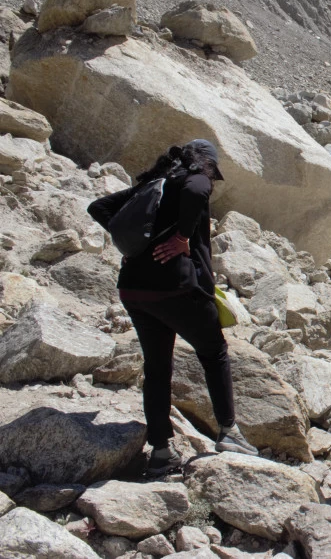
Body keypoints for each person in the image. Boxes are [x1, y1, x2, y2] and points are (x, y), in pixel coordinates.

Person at [87, 140, 258, 477]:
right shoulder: (195, 177)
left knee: (157, 367)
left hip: (134, 289)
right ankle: (228, 432)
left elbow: (99, 207)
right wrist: (182, 236)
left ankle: (162, 452)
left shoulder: (155, 184)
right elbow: (197, 191)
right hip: (176, 287)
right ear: (206, 163)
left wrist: (135, 244)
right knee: (214, 352)